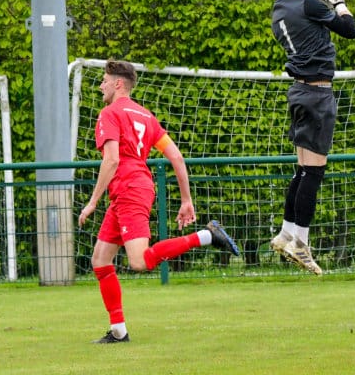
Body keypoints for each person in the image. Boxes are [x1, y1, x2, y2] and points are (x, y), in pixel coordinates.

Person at [78, 59, 240, 343]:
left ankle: (205, 236)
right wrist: (186, 199)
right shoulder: (146, 116)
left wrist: (92, 202)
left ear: (118, 84)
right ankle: (118, 331)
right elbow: (176, 156)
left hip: (129, 189)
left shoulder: (109, 114)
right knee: (100, 260)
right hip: (131, 189)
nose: (101, 85)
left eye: (104, 80)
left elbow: (112, 160)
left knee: (139, 261)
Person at [260, 0, 355, 276]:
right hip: (317, 95)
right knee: (313, 173)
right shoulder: (307, 4)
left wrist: (318, 0)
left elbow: (309, 20)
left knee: (302, 171)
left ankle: (286, 232)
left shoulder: (278, 12)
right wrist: (337, 0)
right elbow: (350, 29)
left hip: (300, 94)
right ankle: (301, 243)